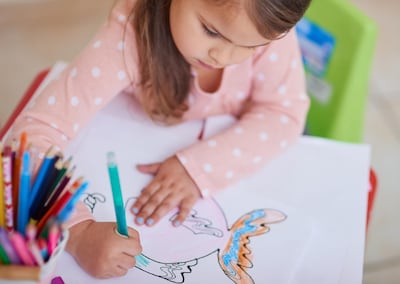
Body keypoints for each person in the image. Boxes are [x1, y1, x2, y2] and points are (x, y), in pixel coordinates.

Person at [7, 0, 311, 279]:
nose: (223, 57)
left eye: (250, 46)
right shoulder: (129, 34)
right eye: (210, 31)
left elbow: (284, 113)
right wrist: (77, 231)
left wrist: (200, 168)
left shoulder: (268, 25)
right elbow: (30, 138)